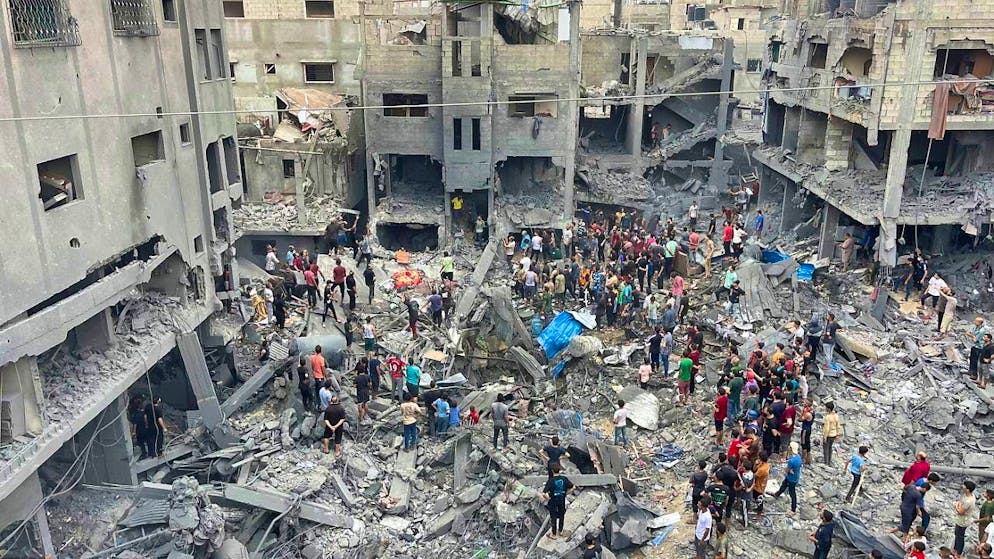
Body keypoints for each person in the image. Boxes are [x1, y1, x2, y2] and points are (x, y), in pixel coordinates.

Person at [543, 463, 575, 540]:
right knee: (561, 516)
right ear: (559, 470)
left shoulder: (550, 481)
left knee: (553, 517)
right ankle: (560, 531)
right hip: (561, 500)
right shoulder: (564, 479)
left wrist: (548, 498)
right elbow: (573, 487)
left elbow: (544, 493)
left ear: (552, 471)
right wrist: (566, 493)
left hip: (553, 501)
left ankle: (553, 534)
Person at [773, 442, 802, 514]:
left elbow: (787, 470)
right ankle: (777, 494)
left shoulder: (792, 461)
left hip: (791, 478)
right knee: (784, 484)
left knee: (792, 493)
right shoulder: (798, 457)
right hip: (795, 476)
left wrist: (787, 469)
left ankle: (793, 509)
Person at [954, 481, 978, 556]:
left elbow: (960, 511)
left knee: (960, 536)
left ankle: (958, 553)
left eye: (964, 486)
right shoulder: (967, 495)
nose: (962, 486)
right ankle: (955, 548)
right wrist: (959, 505)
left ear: (968, 489)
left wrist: (956, 506)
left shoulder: (968, 501)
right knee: (957, 534)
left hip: (963, 521)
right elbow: (960, 502)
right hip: (962, 519)